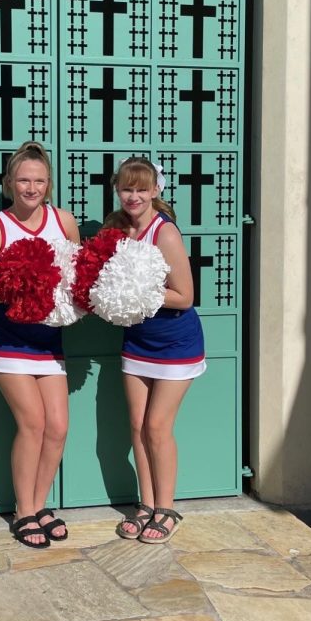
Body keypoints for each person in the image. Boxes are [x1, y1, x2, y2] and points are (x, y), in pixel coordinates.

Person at [0, 141, 80, 548]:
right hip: (4, 340)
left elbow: (76, 276)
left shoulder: (64, 221)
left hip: (48, 341)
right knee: (32, 422)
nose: (31, 187)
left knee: (58, 426)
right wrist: (18, 289)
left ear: (48, 185)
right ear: (9, 183)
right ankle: (23, 512)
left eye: (38, 180)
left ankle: (40, 503)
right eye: (23, 180)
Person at [108, 157, 206, 543]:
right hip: (137, 340)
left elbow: (184, 296)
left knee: (157, 426)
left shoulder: (164, 233)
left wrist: (134, 292)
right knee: (136, 425)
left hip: (175, 343)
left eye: (141, 189)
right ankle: (146, 504)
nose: (133, 196)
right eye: (127, 188)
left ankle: (166, 508)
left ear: (155, 191)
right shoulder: (116, 228)